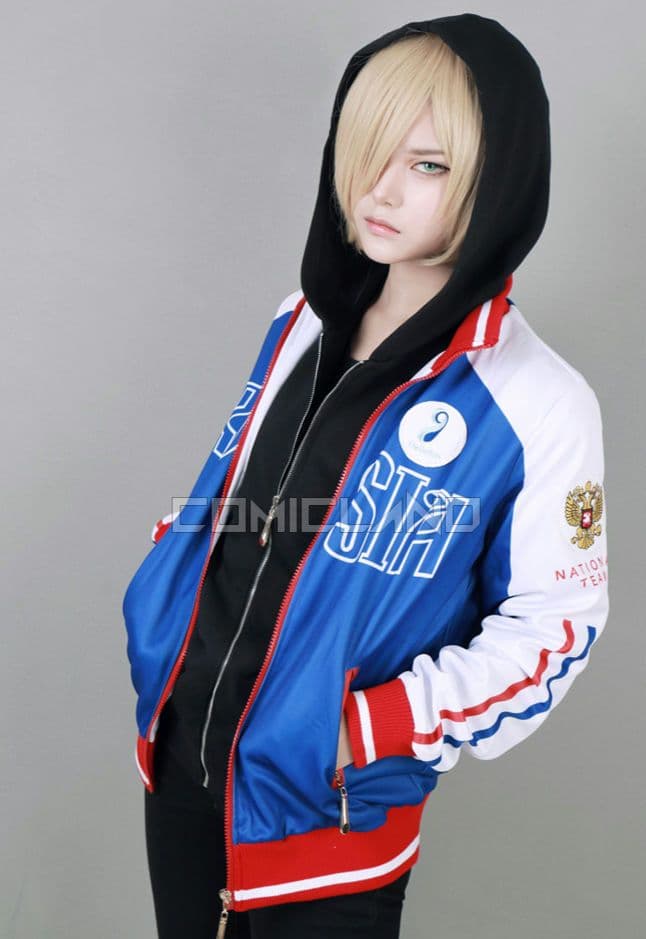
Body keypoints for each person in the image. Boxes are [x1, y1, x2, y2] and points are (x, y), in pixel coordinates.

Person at [122, 13, 610, 939]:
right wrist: (162, 598)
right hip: (184, 765)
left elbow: (555, 627)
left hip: (328, 813)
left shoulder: (537, 400)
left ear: (497, 179)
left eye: (427, 165)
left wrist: (364, 729)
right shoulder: (299, 320)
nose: (379, 189)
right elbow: (240, 501)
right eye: (369, 149)